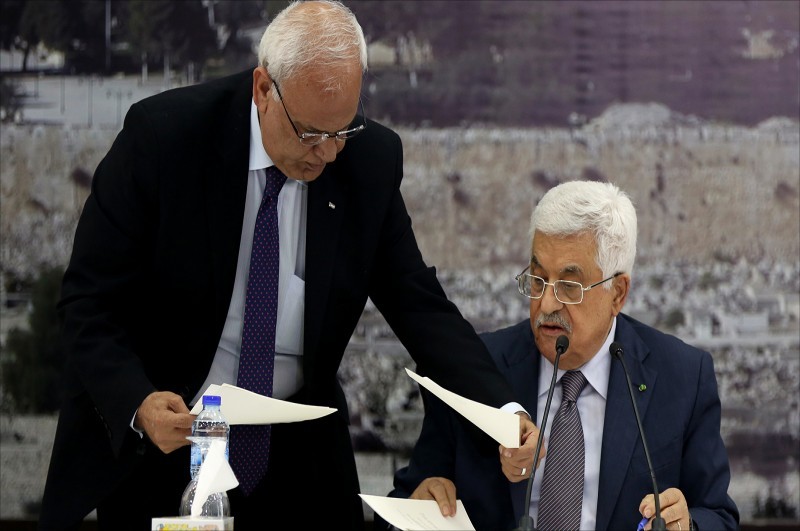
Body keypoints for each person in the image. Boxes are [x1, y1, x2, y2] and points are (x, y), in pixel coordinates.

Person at [38, 2, 535, 530]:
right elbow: (88, 301)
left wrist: (504, 412)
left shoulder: (368, 160)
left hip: (299, 454)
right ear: (263, 89)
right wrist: (138, 403)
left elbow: (420, 305)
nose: (328, 154)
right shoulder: (165, 139)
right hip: (172, 441)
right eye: (311, 134)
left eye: (343, 131)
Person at [380, 181, 739, 531]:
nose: (547, 304)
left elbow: (718, 515)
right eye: (538, 280)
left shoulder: (682, 377)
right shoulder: (473, 369)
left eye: (569, 286)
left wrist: (686, 525)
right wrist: (415, 512)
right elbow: (403, 502)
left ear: (617, 293)